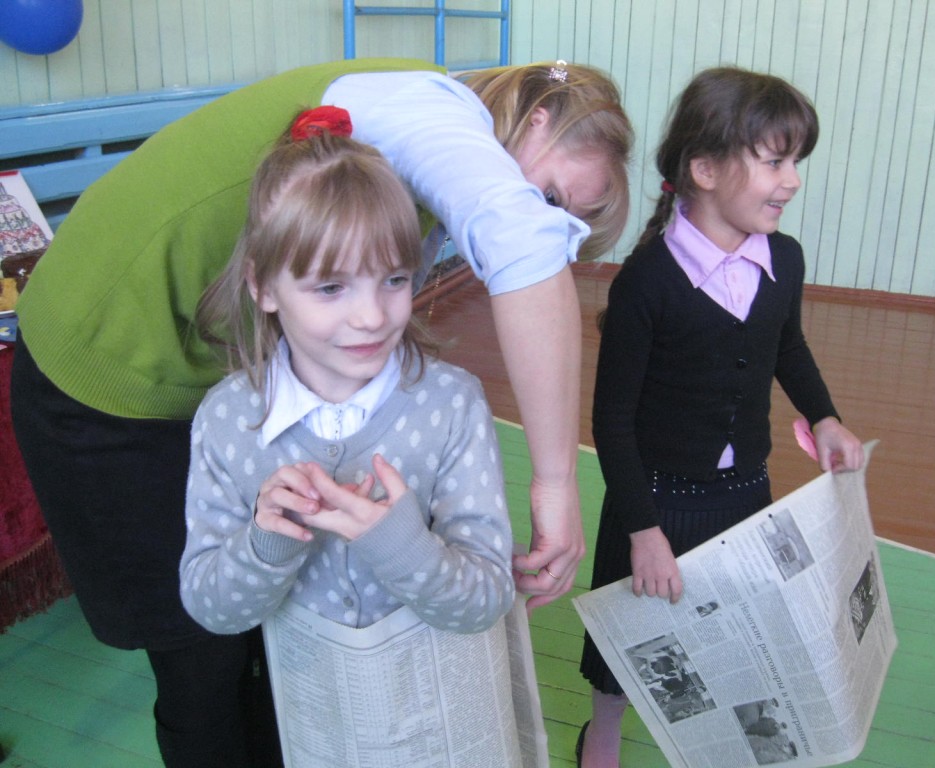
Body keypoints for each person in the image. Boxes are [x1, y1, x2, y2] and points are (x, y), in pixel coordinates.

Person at [9, 58, 632, 768]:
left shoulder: (441, 391)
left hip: (208, 372)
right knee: (200, 669)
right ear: (538, 120)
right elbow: (212, 597)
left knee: (259, 665)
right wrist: (555, 481)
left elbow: (473, 590)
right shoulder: (430, 116)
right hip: (100, 361)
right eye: (547, 197)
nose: (370, 315)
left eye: (392, 279)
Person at [574, 66, 863, 768]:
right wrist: (643, 531)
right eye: (774, 162)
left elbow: (786, 346)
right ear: (703, 170)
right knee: (632, 644)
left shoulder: (784, 259)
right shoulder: (646, 283)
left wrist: (824, 417)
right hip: (657, 502)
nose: (792, 181)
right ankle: (603, 727)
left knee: (738, 638)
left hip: (744, 494)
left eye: (795, 162)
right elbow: (612, 421)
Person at [180, 108, 513, 683]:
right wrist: (265, 543)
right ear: (263, 286)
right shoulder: (228, 419)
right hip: (312, 709)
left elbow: (485, 600)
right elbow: (212, 609)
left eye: (394, 279)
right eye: (331, 287)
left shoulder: (452, 405)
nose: (372, 317)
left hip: (440, 697)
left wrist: (403, 544)